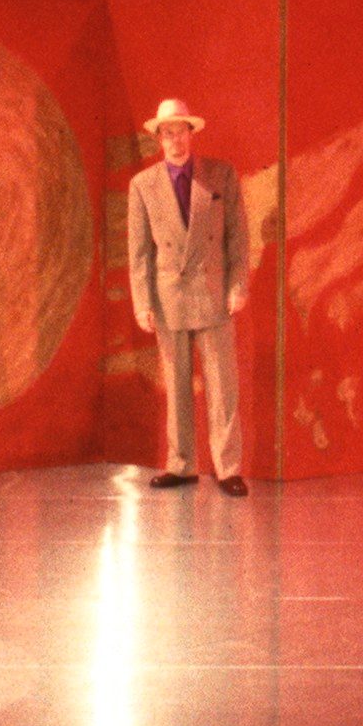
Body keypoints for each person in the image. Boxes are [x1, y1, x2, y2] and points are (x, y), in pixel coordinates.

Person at [125, 98, 253, 496]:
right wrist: (142, 303)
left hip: (213, 293)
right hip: (169, 297)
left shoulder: (220, 175)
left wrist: (237, 286)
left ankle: (228, 467)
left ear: (191, 133)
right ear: (158, 138)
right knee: (177, 385)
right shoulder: (143, 185)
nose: (175, 139)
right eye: (167, 133)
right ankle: (181, 464)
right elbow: (139, 252)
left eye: (180, 131)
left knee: (222, 385)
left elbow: (238, 237)